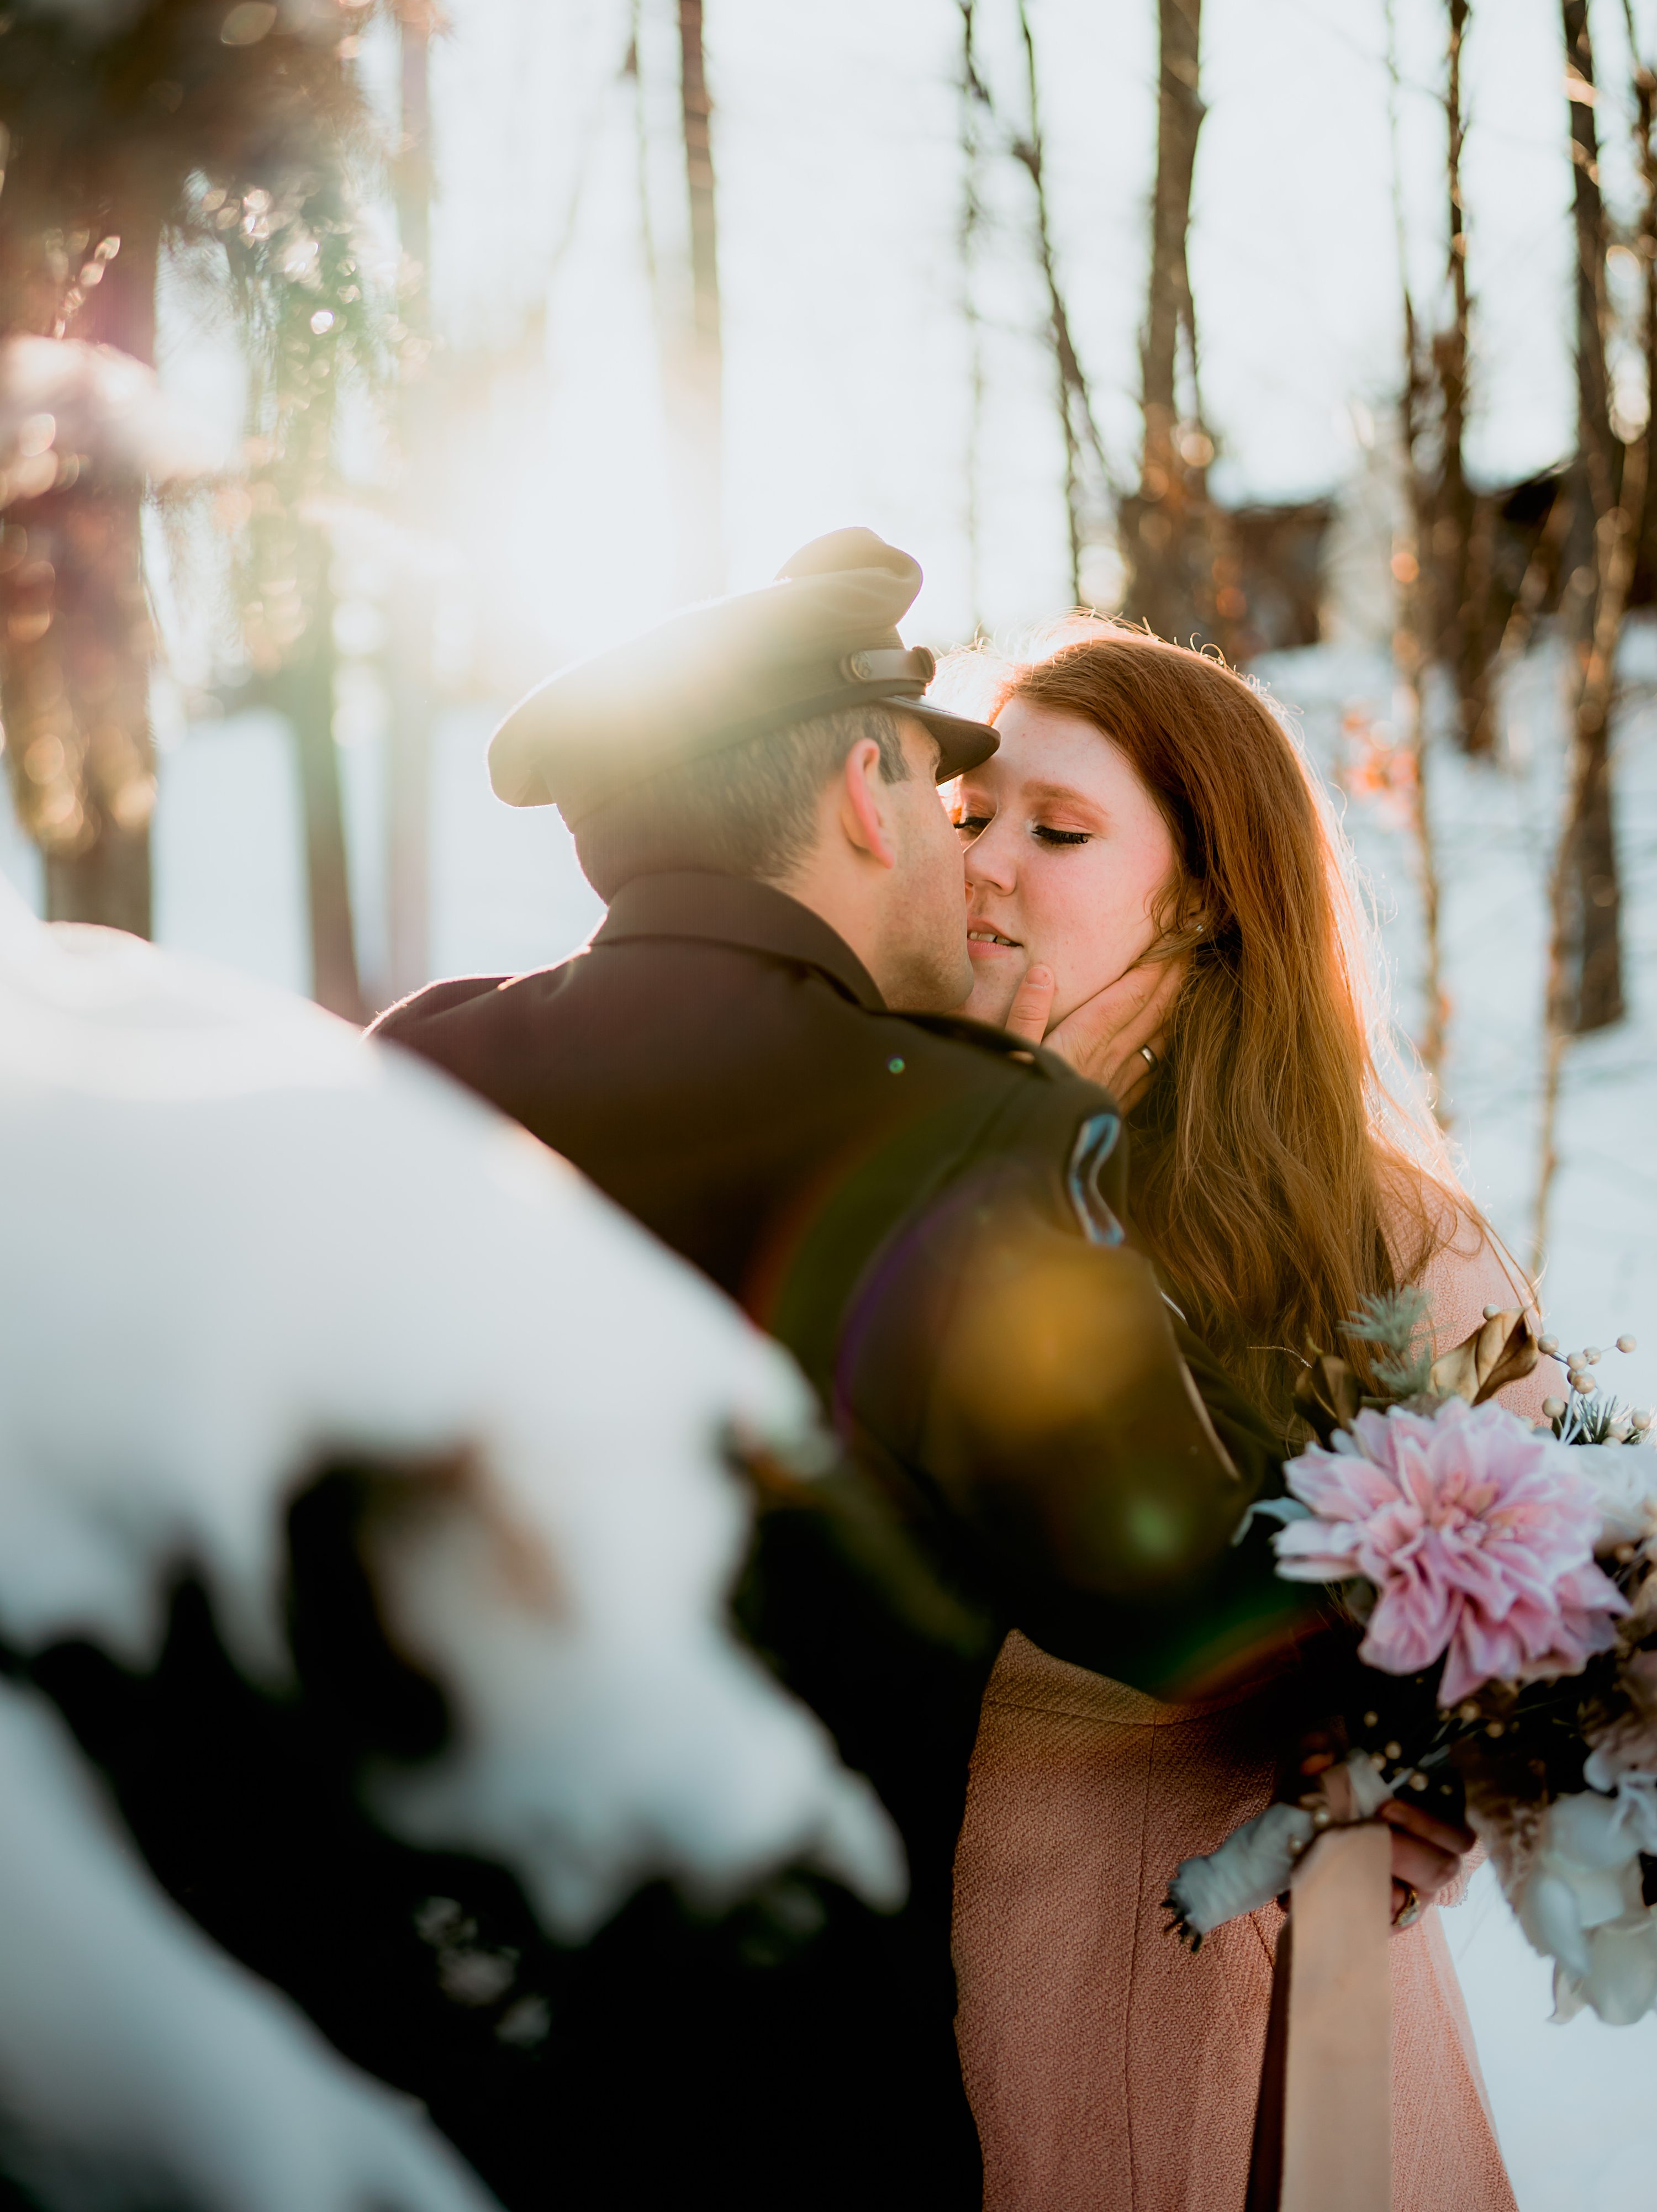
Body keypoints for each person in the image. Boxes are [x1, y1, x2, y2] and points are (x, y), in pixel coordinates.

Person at [373, 529, 1289, 2211]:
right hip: (785, 2132)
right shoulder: (964, 1135)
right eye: (954, 816)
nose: (976, 874)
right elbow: (1191, 1607)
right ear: (870, 794)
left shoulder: (409, 1071)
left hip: (400, 2112)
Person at [946, 623, 1543, 2212]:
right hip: (956, 1970)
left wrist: (1431, 1764)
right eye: (967, 819)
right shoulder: (898, 1167)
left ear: (1206, 894)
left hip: (1284, 1976)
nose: (988, 865)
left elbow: (1544, 1582)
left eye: (1057, 830)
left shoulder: (1382, 1230)